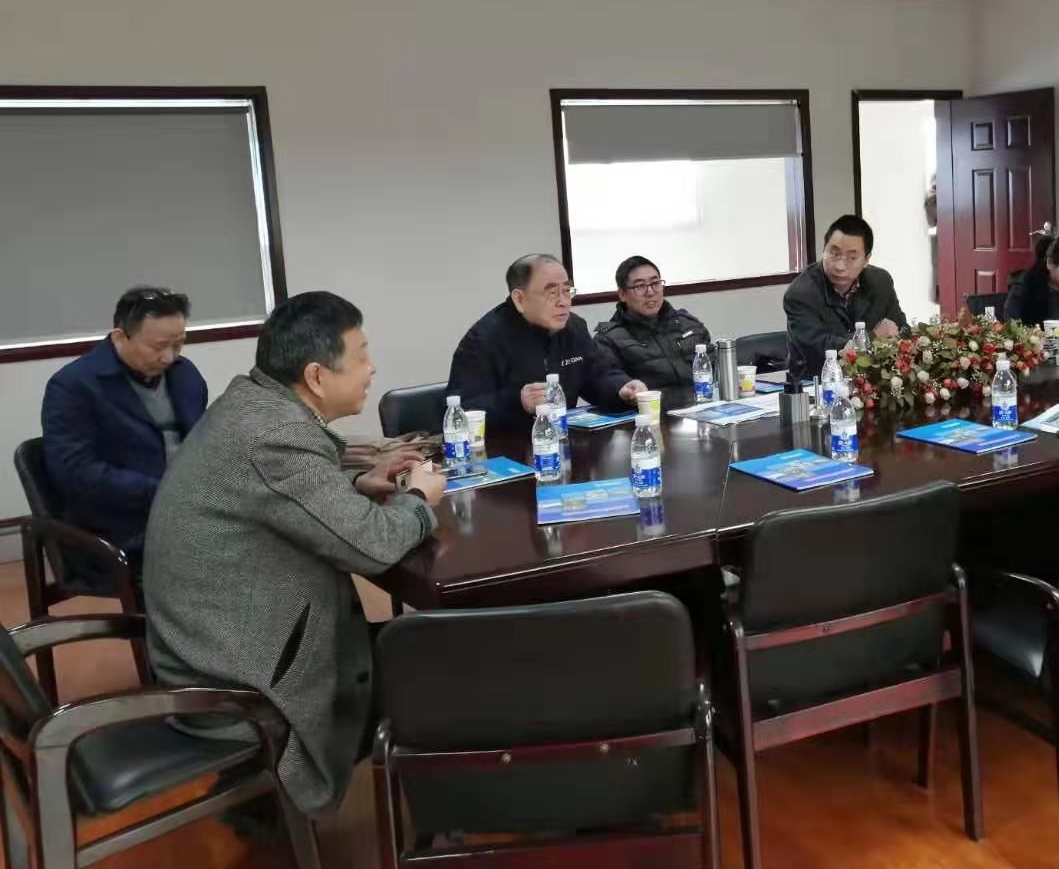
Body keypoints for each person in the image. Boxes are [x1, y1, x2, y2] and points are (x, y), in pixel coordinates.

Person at [144, 291, 446, 816]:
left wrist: (353, 484)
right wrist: (419, 497)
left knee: (418, 648)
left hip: (214, 639)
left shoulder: (252, 403)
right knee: (440, 660)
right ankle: (451, 810)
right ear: (316, 376)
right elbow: (373, 545)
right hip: (237, 675)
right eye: (362, 356)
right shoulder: (276, 435)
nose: (372, 369)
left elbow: (278, 496)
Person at [41, 287, 207, 575]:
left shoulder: (184, 374)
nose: (169, 357)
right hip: (119, 524)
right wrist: (163, 492)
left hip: (185, 508)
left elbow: (204, 441)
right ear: (120, 337)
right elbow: (76, 471)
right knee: (229, 551)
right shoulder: (74, 386)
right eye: (158, 346)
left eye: (179, 344)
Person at [448, 254, 646, 428]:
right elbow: (462, 408)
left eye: (567, 291)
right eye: (552, 293)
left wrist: (621, 388)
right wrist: (518, 402)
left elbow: (598, 375)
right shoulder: (484, 339)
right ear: (519, 299)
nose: (564, 302)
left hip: (562, 437)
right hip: (508, 446)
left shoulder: (574, 327)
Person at [784, 214, 908, 378]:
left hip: (871, 380)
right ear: (824, 250)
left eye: (852, 257)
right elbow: (820, 348)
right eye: (834, 253)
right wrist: (873, 337)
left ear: (866, 260)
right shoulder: (800, 294)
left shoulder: (881, 282)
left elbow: (901, 329)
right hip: (817, 382)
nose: (840, 266)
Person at [594, 256, 711, 393]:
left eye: (655, 283)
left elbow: (714, 366)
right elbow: (606, 381)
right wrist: (625, 388)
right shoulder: (609, 339)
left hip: (703, 402)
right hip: (653, 406)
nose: (650, 292)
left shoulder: (687, 324)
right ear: (622, 294)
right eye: (639, 286)